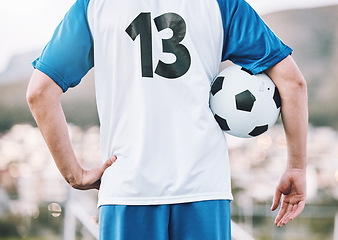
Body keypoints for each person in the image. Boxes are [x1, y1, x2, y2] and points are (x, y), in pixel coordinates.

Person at [26, 0, 308, 239]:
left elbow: (39, 93)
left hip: (127, 191)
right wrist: (296, 167)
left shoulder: (94, 5)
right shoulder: (222, 4)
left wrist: (76, 176)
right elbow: (293, 82)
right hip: (204, 189)